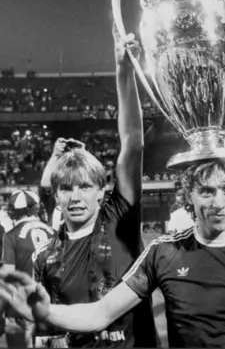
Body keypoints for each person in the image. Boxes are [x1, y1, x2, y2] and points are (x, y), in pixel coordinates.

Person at [0, 159, 225, 348]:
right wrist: (45, 312)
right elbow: (100, 314)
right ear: (190, 196)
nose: (218, 202)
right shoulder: (164, 252)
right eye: (207, 191)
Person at [21, 26, 159, 348]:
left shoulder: (119, 217)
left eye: (85, 187)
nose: (76, 197)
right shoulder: (46, 257)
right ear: (56, 196)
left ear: (101, 190)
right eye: (67, 189)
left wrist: (123, 68)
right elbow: (47, 332)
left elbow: (133, 144)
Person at [0, 190, 55, 348]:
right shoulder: (53, 233)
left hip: (19, 312)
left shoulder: (11, 236)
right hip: (49, 310)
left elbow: (8, 278)